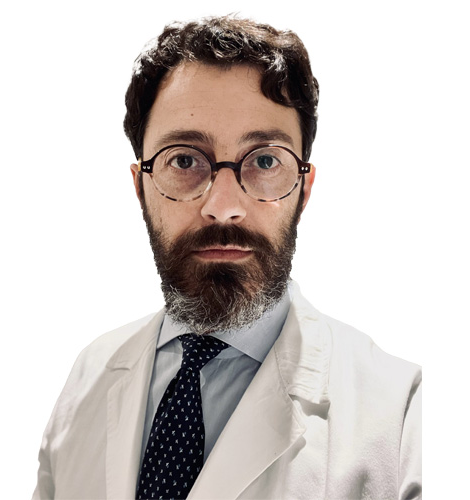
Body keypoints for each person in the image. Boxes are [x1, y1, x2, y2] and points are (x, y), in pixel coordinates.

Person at [33, 15, 421, 500]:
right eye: (184, 160)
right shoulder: (88, 377)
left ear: (303, 190)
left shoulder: (403, 416)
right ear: (140, 187)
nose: (223, 206)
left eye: (264, 161)